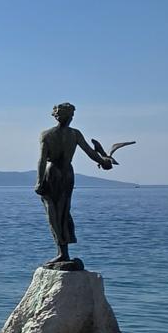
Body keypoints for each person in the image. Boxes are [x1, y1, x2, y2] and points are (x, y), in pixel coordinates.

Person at [35, 102, 115, 267]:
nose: (70, 118)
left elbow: (42, 160)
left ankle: (62, 252)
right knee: (62, 211)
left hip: (54, 173)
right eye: (70, 115)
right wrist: (103, 161)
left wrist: (39, 181)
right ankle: (63, 252)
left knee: (54, 213)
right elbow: (91, 153)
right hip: (66, 174)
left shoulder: (48, 135)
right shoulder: (74, 134)